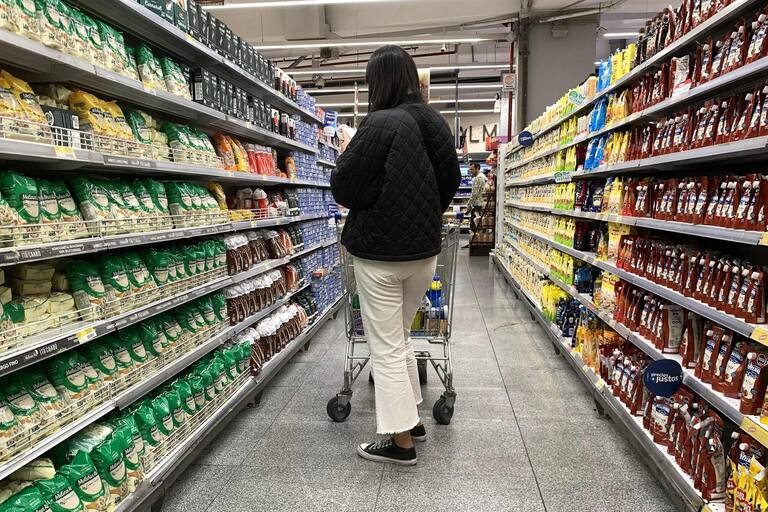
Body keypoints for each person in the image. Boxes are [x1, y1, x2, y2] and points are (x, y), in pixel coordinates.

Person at [330, 45, 461, 466]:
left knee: (385, 346)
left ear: (378, 81)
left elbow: (345, 186)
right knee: (400, 337)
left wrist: (376, 200)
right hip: (423, 253)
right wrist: (423, 214)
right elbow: (451, 179)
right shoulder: (435, 122)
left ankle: (400, 443)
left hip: (380, 254)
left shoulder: (378, 122)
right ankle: (413, 421)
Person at [464, 162, 488, 248]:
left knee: (475, 225)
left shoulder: (478, 178)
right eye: (470, 169)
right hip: (480, 204)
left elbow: (474, 194)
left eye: (472, 169)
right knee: (479, 225)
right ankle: (476, 242)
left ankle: (474, 243)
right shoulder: (483, 177)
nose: (470, 171)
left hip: (477, 205)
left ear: (477, 168)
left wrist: (469, 206)